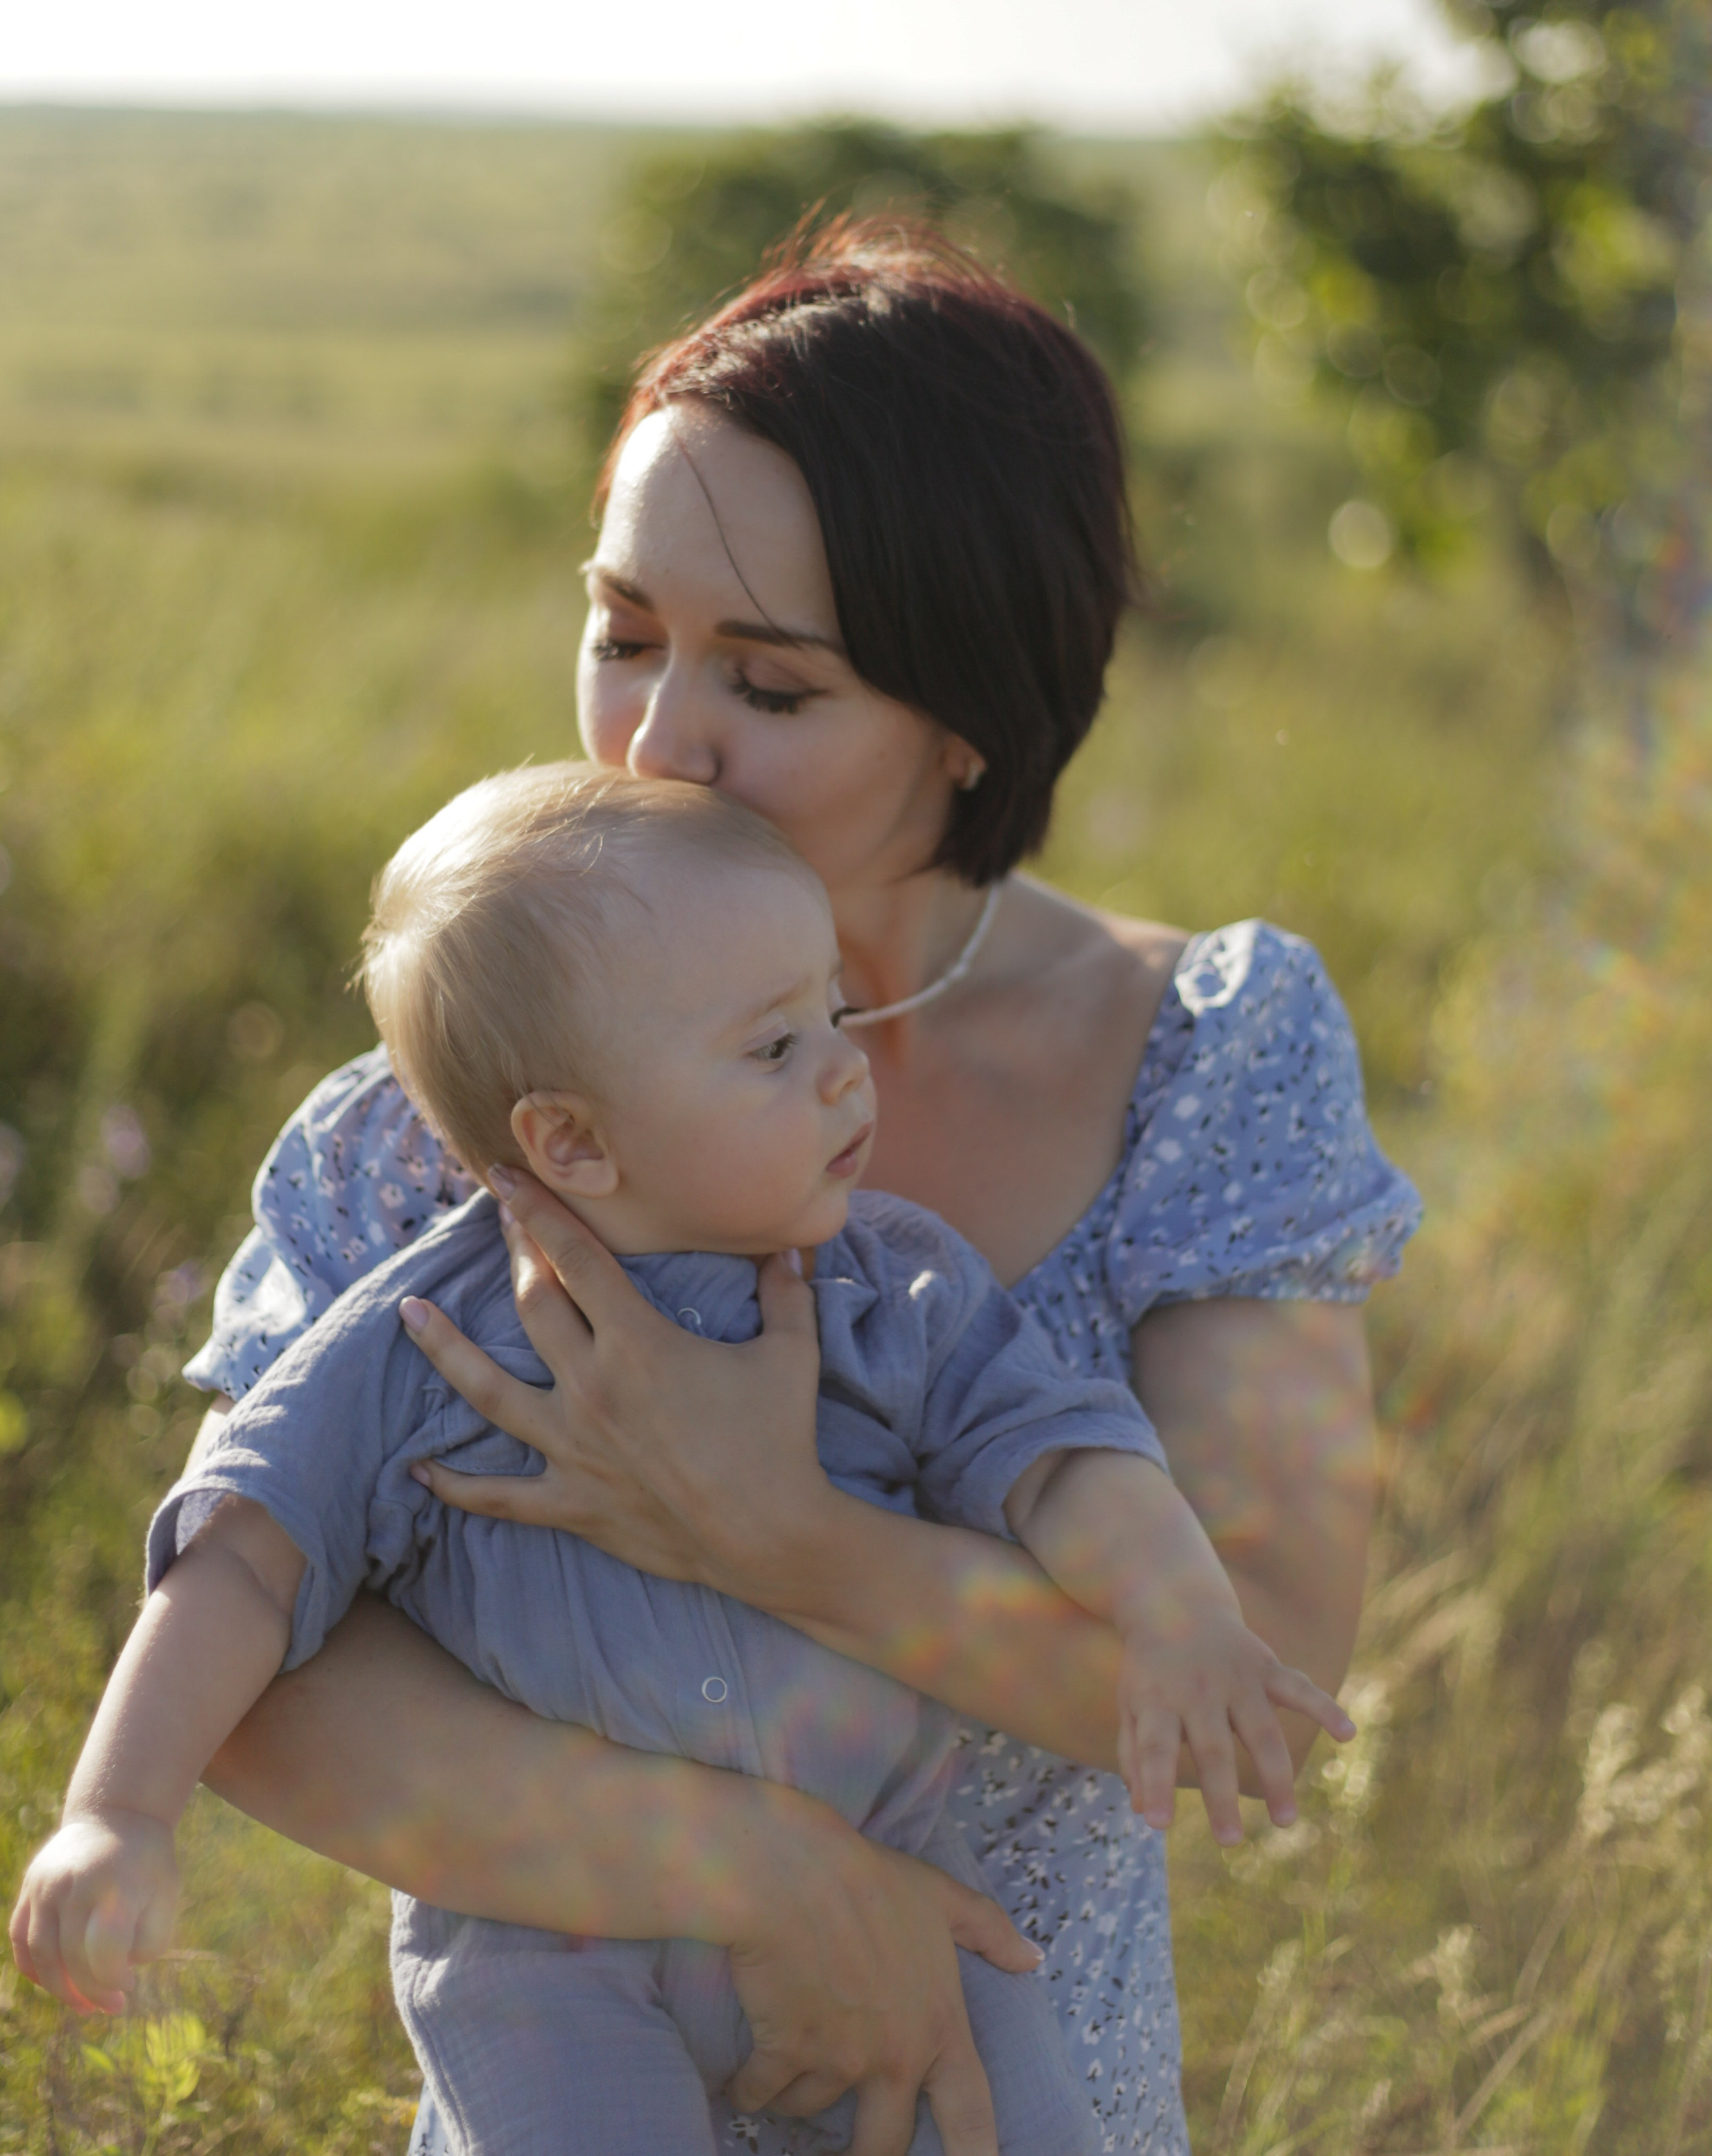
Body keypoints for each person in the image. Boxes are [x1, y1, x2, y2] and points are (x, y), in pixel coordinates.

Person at [115, 221, 1418, 2156]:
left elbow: (1262, 1663)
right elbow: (261, 1681)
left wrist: (776, 1531)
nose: (654, 740)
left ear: (968, 714)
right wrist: (769, 1874)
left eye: (773, 683)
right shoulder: (450, 1111)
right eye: (623, 631)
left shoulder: (1201, 1052)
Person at [11, 764, 1353, 2155]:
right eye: (772, 1047)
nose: (843, 1064)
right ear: (571, 1140)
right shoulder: (419, 1334)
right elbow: (237, 1558)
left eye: (829, 1009)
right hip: (552, 1953)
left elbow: (1065, 1463)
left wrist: (1179, 1611)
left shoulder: (887, 1289)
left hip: (904, 1892)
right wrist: (115, 1811)